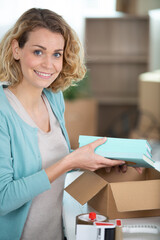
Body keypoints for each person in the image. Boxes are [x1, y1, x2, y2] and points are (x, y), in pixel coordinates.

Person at [0, 8, 141, 240]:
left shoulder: (53, 98)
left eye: (57, 54)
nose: (49, 64)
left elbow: (52, 162)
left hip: (56, 232)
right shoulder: (3, 112)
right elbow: (3, 199)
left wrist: (100, 161)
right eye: (38, 52)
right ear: (17, 49)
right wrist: (70, 162)